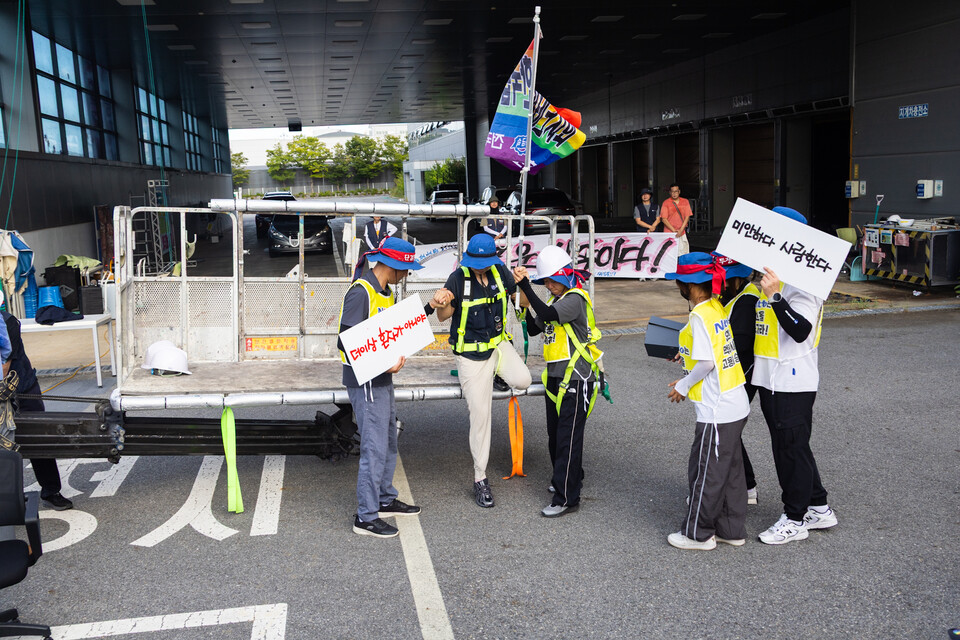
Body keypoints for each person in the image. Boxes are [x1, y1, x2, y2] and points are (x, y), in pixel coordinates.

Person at [753, 206, 837, 545]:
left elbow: (800, 330)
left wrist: (773, 296)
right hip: (770, 378)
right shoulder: (776, 276)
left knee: (790, 449)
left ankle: (795, 518)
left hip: (792, 380)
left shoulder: (805, 282)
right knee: (793, 446)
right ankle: (818, 506)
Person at [338, 236, 428, 538]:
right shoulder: (361, 292)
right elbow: (344, 342)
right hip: (366, 381)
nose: (408, 274)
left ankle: (384, 499)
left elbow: (396, 331)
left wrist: (429, 307)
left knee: (388, 440)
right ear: (393, 266)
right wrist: (381, 364)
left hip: (382, 379)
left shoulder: (384, 292)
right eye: (407, 269)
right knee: (374, 448)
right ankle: (365, 516)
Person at [434, 233, 532, 508]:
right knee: (481, 416)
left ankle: (498, 374)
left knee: (524, 380)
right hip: (470, 355)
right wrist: (442, 302)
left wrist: (523, 283)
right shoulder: (458, 278)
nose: (479, 266)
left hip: (498, 346)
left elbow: (522, 303)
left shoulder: (500, 272)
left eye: (483, 261)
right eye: (475, 261)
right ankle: (480, 478)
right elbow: (443, 317)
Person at [664, 252, 750, 550]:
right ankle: (730, 529)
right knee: (730, 472)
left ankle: (697, 534)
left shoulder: (699, 314)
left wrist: (684, 386)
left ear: (685, 285)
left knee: (706, 472)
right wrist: (685, 363)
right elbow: (710, 353)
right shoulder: (716, 307)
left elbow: (706, 363)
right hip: (735, 401)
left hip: (717, 408)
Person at [512, 246, 603, 518]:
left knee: (568, 439)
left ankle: (567, 497)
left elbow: (549, 317)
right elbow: (534, 327)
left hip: (576, 379)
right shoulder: (555, 301)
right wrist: (524, 307)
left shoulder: (575, 299)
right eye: (545, 282)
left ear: (566, 275)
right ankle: (566, 478)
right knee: (556, 437)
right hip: (556, 379)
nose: (548, 286)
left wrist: (527, 286)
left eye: (552, 280)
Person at [1, 310, 73, 510]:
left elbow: (4, 365)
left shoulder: (7, 323)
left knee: (39, 437)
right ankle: (7, 498)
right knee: (3, 446)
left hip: (22, 388)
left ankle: (51, 491)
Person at [715, 254, 761, 505]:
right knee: (728, 432)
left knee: (726, 430)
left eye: (722, 277)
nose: (717, 281)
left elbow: (741, 343)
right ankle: (747, 485)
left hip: (740, 375)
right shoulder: (735, 295)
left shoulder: (746, 300)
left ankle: (745, 487)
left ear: (733, 278)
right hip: (732, 373)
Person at [660, 183, 693, 256]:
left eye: (676, 191)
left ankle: (681, 267)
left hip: (682, 232)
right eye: (672, 191)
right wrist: (674, 230)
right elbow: (664, 219)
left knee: (683, 253)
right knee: (670, 254)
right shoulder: (666, 203)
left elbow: (687, 216)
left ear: (679, 192)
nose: (674, 193)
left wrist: (681, 230)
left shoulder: (685, 201)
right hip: (669, 232)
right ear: (670, 192)